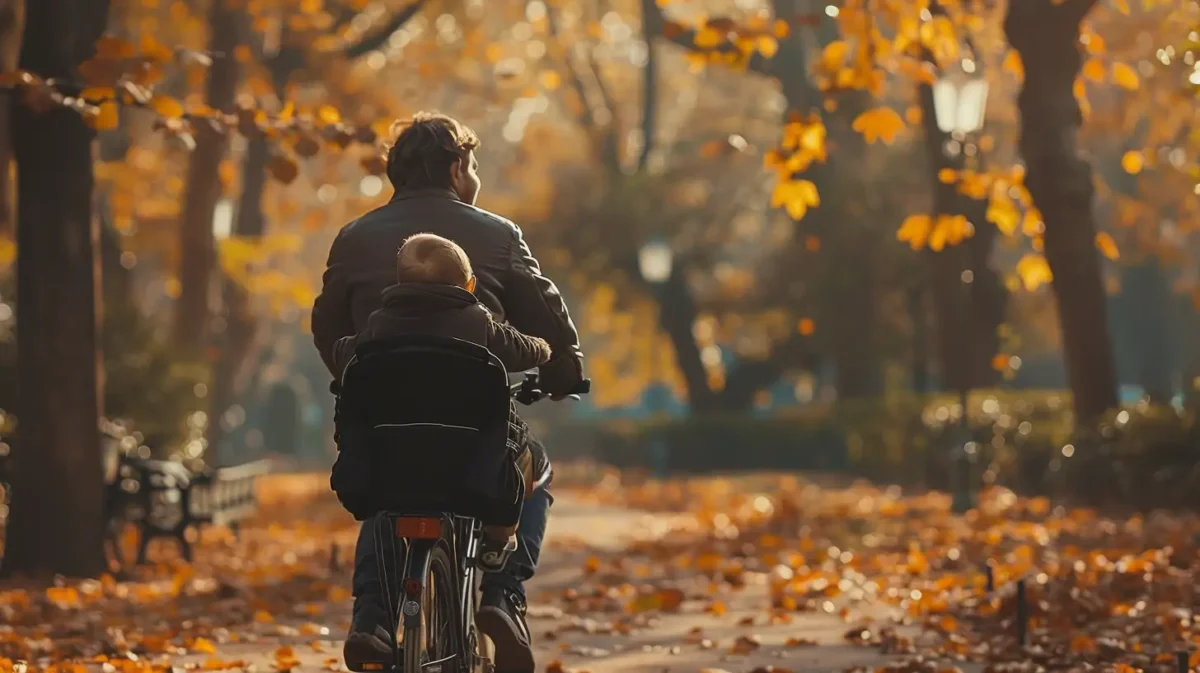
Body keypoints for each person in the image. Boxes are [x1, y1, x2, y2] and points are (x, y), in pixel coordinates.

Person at [312, 112, 585, 673]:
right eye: (474, 163)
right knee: (535, 474)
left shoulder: (355, 237)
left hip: (383, 436)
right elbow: (550, 330)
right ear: (458, 167)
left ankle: (373, 618)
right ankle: (503, 593)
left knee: (386, 500)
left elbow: (326, 326)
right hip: (474, 439)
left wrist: (355, 366)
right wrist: (562, 371)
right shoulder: (497, 236)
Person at [328, 232, 552, 542]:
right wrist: (544, 348)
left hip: (390, 465)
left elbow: (342, 353)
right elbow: (521, 349)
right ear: (470, 285)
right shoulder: (480, 326)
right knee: (535, 460)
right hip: (470, 466)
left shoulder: (377, 327)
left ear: (399, 283)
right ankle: (500, 545)